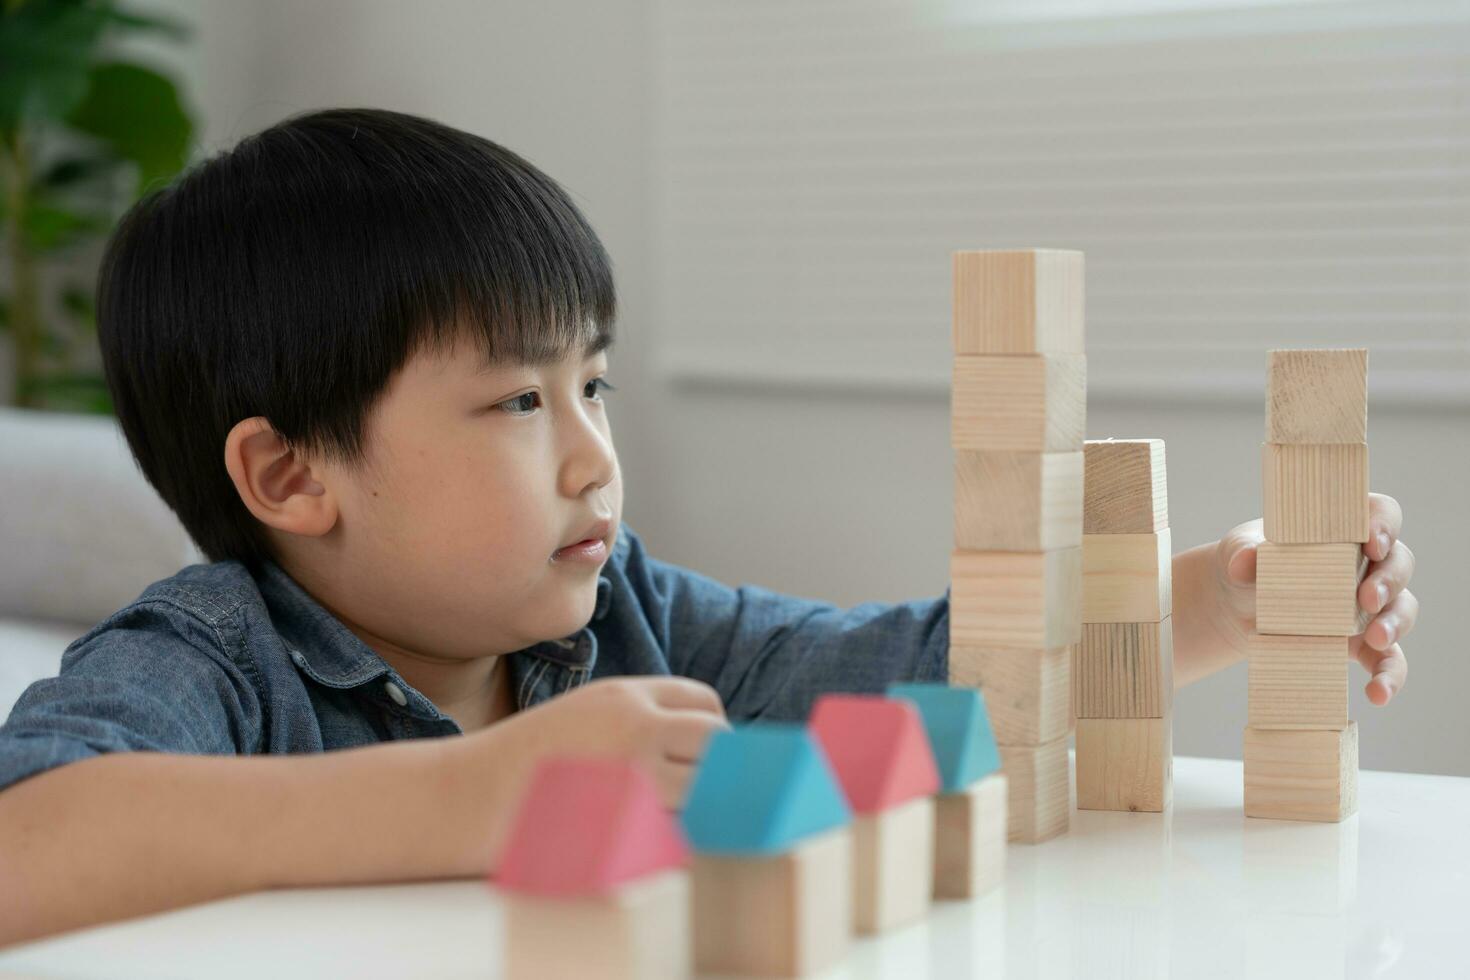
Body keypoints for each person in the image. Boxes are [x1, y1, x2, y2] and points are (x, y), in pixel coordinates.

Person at [0, 108, 1417, 948]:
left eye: (594, 385)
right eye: (514, 403)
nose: (592, 457)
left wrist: (1219, 603)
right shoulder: (214, 658)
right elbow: (27, 841)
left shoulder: (633, 616)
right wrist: (484, 792)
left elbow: (915, 675)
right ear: (292, 479)